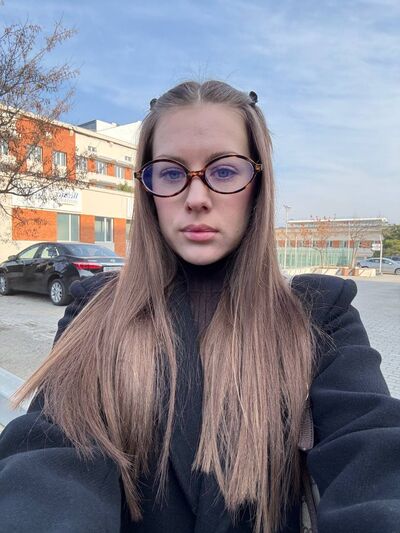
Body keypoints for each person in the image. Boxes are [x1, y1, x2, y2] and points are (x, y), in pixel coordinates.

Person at [0, 80, 399, 533]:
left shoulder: (320, 314)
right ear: (147, 189)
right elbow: (51, 449)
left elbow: (374, 450)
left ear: (258, 183)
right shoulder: (94, 312)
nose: (196, 198)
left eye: (224, 171)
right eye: (171, 173)